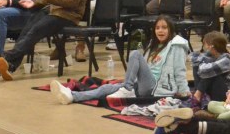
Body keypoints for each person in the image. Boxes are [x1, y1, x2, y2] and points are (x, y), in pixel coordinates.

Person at [50, 16, 190, 104]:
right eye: (158, 28)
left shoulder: (177, 45)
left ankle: (126, 88)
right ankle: (72, 96)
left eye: (164, 28)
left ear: (171, 30)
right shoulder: (153, 46)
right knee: (107, 87)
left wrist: (184, 92)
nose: (160, 31)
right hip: (140, 84)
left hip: (155, 88)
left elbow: (179, 70)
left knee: (135, 54)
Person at [190, 31, 230, 105]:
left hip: (226, 91)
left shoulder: (227, 58)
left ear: (211, 46)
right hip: (211, 88)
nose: (204, 46)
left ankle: (198, 95)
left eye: (205, 44)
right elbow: (197, 63)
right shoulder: (208, 57)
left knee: (211, 73)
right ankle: (198, 97)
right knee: (198, 65)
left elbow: (205, 70)